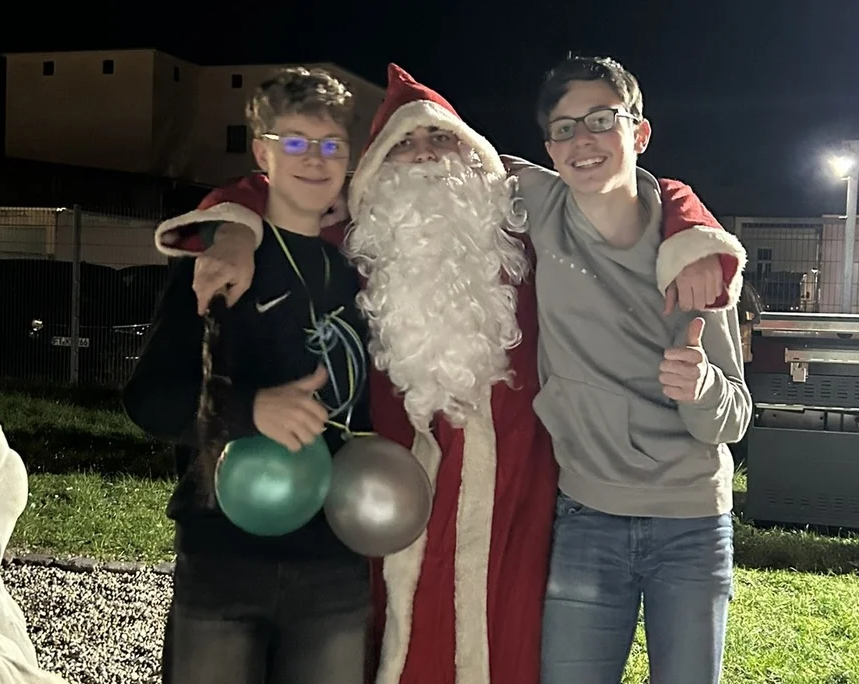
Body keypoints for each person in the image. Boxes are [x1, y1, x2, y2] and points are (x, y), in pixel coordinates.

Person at [151, 62, 742, 684]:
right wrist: (233, 230)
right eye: (402, 145)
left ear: (477, 158)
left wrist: (693, 234)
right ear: (376, 171)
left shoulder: (523, 223)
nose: (426, 155)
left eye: (441, 138)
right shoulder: (355, 240)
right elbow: (274, 191)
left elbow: (651, 193)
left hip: (526, 503)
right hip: (389, 500)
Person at [497, 55, 750, 684]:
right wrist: (236, 217)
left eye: (602, 120)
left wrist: (703, 389)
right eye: (564, 128)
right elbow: (427, 151)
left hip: (692, 520)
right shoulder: (540, 202)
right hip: (586, 514)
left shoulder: (694, 254)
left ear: (638, 132)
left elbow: (737, 416)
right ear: (549, 148)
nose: (582, 140)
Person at [123, 66, 374, 683]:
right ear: (262, 152)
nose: (313, 160)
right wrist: (252, 411)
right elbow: (150, 399)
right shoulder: (217, 264)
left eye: (329, 145)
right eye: (293, 142)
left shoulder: (364, 272)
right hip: (224, 559)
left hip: (335, 565)